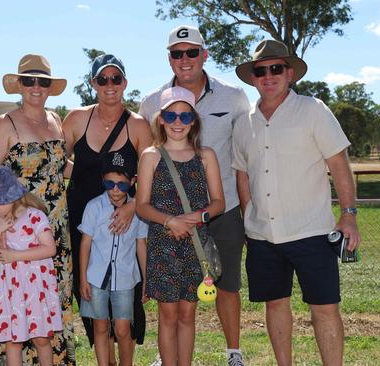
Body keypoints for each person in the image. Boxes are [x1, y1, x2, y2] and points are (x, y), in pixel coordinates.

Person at [231, 40, 362, 366]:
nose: (269, 76)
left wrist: (349, 215)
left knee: (325, 308)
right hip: (263, 237)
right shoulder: (243, 122)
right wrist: (249, 219)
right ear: (253, 78)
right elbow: (242, 175)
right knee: (275, 305)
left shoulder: (313, 110)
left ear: (289, 73)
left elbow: (339, 163)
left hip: (312, 232)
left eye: (276, 68)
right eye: (261, 71)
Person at [138, 25, 251, 366]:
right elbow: (148, 159)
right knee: (173, 304)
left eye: (191, 52)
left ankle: (233, 351)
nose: (184, 59)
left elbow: (247, 151)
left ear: (204, 54)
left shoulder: (233, 96)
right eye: (177, 53)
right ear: (169, 58)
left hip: (223, 208)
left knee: (227, 284)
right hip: (168, 223)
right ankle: (167, 354)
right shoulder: (151, 102)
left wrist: (245, 210)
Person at [0, 54, 75, 365]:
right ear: (19, 85)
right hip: (18, 233)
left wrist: (108, 171)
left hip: (55, 232)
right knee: (14, 309)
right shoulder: (4, 124)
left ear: (50, 87)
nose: (36, 87)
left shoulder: (55, 120)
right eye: (29, 80)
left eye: (43, 81)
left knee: (49, 307)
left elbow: (60, 168)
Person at [62, 54, 152, 360]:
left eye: (116, 78)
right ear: (93, 84)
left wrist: (133, 207)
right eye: (103, 79)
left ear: (125, 83)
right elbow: (55, 162)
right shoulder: (76, 119)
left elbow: (152, 173)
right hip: (83, 225)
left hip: (126, 226)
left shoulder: (138, 126)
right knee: (92, 299)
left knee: (126, 309)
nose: (109, 85)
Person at [136, 86, 225, 366]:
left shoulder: (206, 156)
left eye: (185, 117)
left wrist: (197, 219)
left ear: (194, 121)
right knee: (168, 315)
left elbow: (219, 202)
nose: (178, 122)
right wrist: (170, 221)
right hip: (163, 246)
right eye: (171, 116)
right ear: (160, 119)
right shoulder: (151, 156)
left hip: (196, 245)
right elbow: (141, 205)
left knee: (188, 315)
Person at [0, 166, 63, 366]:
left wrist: (16, 256)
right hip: (10, 290)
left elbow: (49, 249)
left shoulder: (34, 217)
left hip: (34, 288)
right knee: (13, 341)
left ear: (10, 197)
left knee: (41, 338)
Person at [78, 151, 148, 366]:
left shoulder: (139, 211)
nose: (116, 190)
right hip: (96, 278)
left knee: (123, 328)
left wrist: (146, 280)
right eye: (109, 184)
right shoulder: (93, 207)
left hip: (126, 279)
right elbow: (85, 244)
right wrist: (82, 279)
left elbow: (141, 245)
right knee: (100, 326)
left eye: (122, 184)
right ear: (103, 181)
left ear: (133, 181)